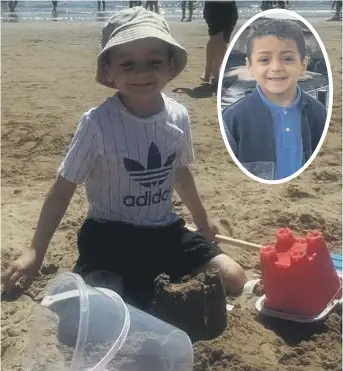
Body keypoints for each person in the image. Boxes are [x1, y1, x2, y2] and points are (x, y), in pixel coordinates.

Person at [2, 7, 246, 309]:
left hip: (164, 232)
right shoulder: (97, 124)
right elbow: (62, 190)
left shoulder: (178, 116)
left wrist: (202, 220)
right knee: (108, 302)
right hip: (109, 237)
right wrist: (35, 252)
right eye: (128, 64)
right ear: (108, 70)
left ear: (171, 65)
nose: (142, 73)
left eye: (153, 63)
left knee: (234, 276)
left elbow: (180, 172)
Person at [222, 19, 326, 181]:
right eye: (264, 60)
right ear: (250, 67)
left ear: (303, 65)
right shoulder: (233, 118)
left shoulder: (318, 112)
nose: (276, 67)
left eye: (288, 59)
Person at [202, 1, 238, 86]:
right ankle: (208, 70)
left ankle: (216, 73)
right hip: (213, 6)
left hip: (230, 6)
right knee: (216, 38)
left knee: (223, 41)